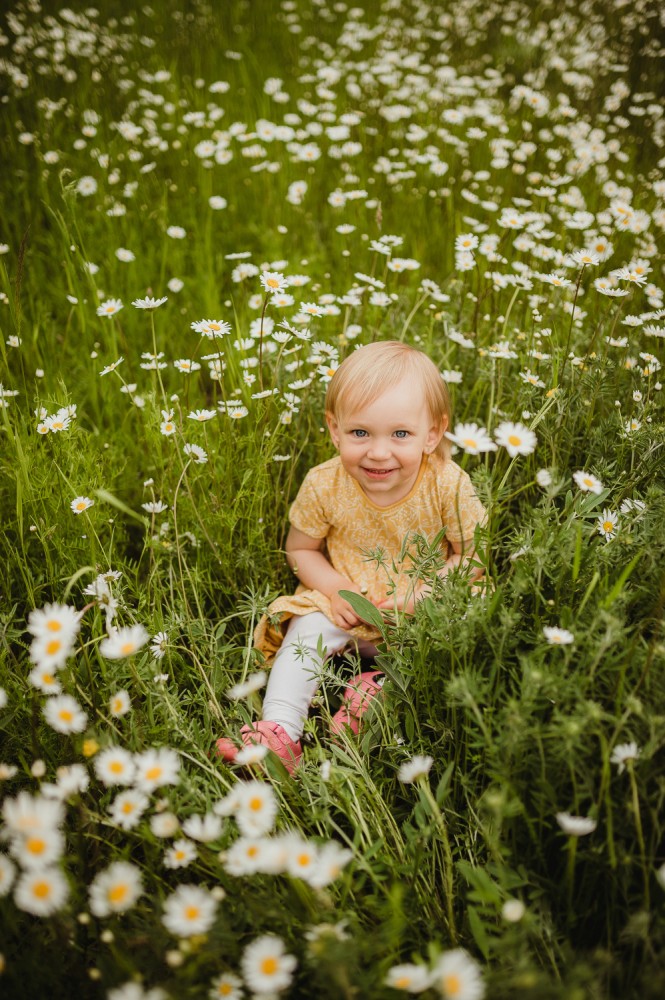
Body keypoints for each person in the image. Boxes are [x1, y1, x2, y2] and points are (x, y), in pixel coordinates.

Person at [215, 341, 486, 772]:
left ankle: (374, 691)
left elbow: (471, 559)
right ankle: (279, 732)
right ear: (335, 429)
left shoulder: (448, 485)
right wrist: (334, 588)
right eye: (360, 433)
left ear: (432, 434)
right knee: (304, 632)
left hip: (418, 613)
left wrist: (427, 594)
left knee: (454, 643)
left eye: (400, 434)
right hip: (345, 608)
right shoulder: (324, 483)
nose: (378, 452)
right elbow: (300, 549)